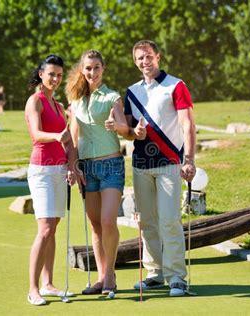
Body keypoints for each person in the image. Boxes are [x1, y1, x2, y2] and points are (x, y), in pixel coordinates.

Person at [122, 40, 196, 297]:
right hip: (141, 165)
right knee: (148, 223)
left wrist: (190, 159)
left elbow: (188, 125)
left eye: (149, 56)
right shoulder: (131, 91)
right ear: (135, 61)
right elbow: (129, 130)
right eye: (140, 58)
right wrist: (135, 132)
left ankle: (177, 278)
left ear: (158, 57)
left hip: (170, 164)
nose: (145, 62)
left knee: (169, 221)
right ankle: (155, 274)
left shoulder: (176, 85)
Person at [66, 49, 128, 295]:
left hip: (111, 165)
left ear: (104, 68)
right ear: (82, 69)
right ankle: (102, 277)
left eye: (97, 68)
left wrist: (118, 126)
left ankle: (110, 275)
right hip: (87, 168)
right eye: (88, 68)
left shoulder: (112, 97)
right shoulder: (75, 100)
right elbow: (73, 135)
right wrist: (72, 164)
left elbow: (124, 127)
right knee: (95, 225)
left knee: (107, 220)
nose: (92, 72)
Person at [24, 54, 77, 306]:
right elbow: (36, 135)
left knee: (52, 230)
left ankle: (48, 283)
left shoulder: (57, 106)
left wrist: (71, 164)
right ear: (41, 74)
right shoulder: (35, 101)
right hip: (42, 171)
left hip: (58, 171)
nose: (55, 78)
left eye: (58, 74)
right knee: (44, 229)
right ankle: (33, 289)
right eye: (51, 74)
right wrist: (58, 136)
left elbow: (68, 141)